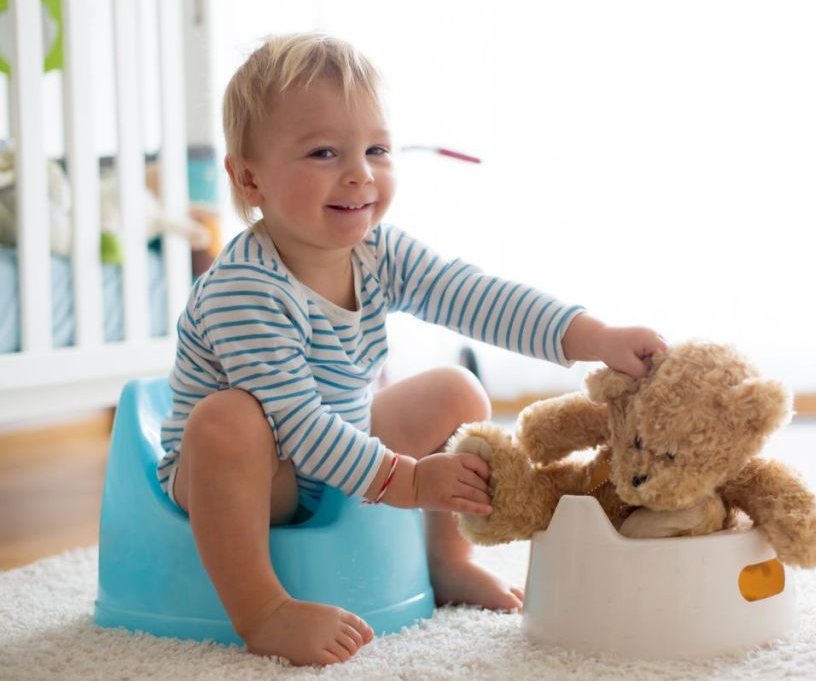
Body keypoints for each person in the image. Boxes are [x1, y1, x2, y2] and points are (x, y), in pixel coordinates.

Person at [157, 33, 667, 667]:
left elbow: (479, 297)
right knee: (228, 419)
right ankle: (262, 609)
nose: (359, 173)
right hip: (256, 475)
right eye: (323, 152)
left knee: (458, 390)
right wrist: (412, 479)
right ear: (248, 178)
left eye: (376, 149)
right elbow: (296, 424)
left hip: (342, 446)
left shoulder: (380, 252)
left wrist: (593, 338)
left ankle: (446, 558)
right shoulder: (243, 288)